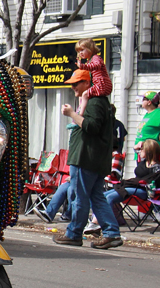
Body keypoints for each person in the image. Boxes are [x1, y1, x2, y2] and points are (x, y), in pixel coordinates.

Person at [52, 69, 122, 249]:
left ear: (87, 83)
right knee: (96, 197)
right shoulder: (97, 102)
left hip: (86, 158)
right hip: (92, 158)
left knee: (79, 197)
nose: (73, 87)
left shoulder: (95, 102)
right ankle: (111, 233)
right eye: (72, 84)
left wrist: (71, 115)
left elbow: (91, 127)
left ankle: (74, 233)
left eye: (77, 83)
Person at [95, 139, 160, 229]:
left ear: (148, 151)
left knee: (110, 197)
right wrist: (139, 145)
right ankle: (96, 222)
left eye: (142, 149)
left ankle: (107, 225)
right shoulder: (143, 162)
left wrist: (138, 182)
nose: (139, 152)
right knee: (102, 195)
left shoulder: (157, 167)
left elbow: (153, 183)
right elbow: (135, 149)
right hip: (134, 188)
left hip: (144, 192)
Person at [134, 90, 160, 164]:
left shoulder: (159, 113)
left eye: (144, 99)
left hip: (154, 157)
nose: (141, 101)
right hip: (143, 154)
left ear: (149, 102)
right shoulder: (148, 114)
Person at [75, 38, 112, 114]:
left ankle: (81, 114)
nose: (80, 53)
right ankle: (80, 109)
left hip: (101, 85)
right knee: (82, 95)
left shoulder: (95, 58)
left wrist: (82, 66)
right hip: (97, 84)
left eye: (82, 50)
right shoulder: (89, 60)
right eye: (78, 51)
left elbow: (96, 65)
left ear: (90, 48)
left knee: (85, 94)